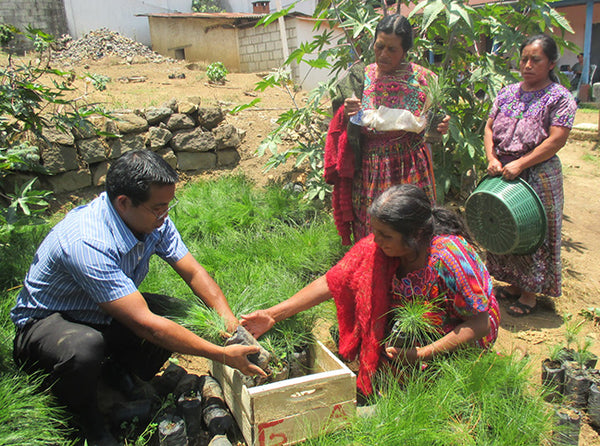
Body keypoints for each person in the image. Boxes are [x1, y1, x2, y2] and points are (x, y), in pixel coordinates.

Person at [10, 150, 266, 446]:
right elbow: (148, 326)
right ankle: (91, 423)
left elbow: (194, 272)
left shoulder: (153, 220)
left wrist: (229, 321)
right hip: (48, 325)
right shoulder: (87, 240)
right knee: (84, 347)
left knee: (178, 312)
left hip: (100, 311)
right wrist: (219, 354)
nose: (165, 215)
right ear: (123, 203)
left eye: (169, 206)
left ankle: (116, 375)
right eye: (159, 208)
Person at [241, 184, 500, 398]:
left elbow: (480, 322)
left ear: (416, 234)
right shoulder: (380, 250)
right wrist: (274, 314)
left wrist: (422, 353)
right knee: (385, 364)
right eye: (375, 232)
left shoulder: (451, 257)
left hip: (462, 330)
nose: (375, 241)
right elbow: (334, 280)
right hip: (413, 330)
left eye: (385, 235)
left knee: (430, 390)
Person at [325, 13, 449, 245]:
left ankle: (412, 278)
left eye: (392, 49)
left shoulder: (424, 80)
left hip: (411, 167)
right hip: (370, 168)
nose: (383, 54)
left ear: (405, 51)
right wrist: (346, 109)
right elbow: (339, 116)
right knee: (374, 229)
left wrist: (440, 127)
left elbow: (432, 126)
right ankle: (376, 278)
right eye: (379, 46)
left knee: (411, 228)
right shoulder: (359, 77)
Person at [484, 34, 577, 317]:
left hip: (537, 176)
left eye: (535, 59)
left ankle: (530, 293)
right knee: (505, 228)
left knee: (533, 231)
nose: (527, 64)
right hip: (503, 172)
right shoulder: (507, 92)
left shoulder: (559, 97)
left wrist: (521, 164)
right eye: (524, 58)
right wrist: (491, 157)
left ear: (550, 63)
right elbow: (488, 127)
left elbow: (556, 139)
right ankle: (513, 284)